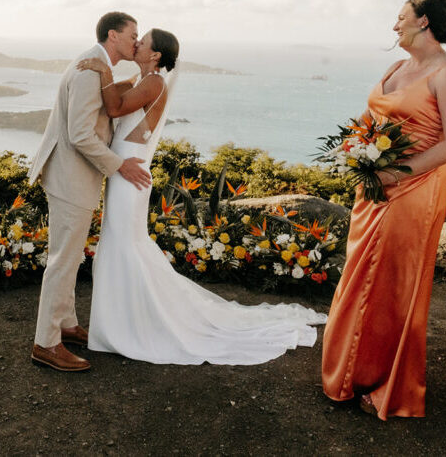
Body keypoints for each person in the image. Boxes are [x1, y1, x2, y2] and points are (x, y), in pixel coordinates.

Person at [78, 29, 327, 365]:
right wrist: (101, 73)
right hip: (125, 171)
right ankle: (123, 321)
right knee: (121, 244)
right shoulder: (142, 79)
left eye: (143, 40)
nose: (136, 43)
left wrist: (102, 68)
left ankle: (131, 325)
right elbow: (110, 97)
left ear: (155, 55)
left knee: (124, 245)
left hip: (130, 174)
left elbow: (115, 106)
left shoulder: (153, 84)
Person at [322, 0, 446, 420]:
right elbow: (372, 121)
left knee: (393, 284)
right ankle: (353, 372)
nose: (394, 24)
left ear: (424, 22)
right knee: (360, 275)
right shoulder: (397, 66)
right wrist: (355, 152)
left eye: (401, 16)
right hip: (374, 188)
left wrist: (394, 174)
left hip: (414, 191)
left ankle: (389, 383)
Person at [28, 12, 152, 372]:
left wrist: (124, 75)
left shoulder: (99, 66)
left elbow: (115, 98)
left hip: (74, 176)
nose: (136, 41)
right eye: (133, 35)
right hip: (70, 178)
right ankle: (46, 343)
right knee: (63, 261)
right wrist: (119, 164)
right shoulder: (89, 69)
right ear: (113, 35)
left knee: (67, 255)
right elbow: (80, 133)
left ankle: (65, 326)